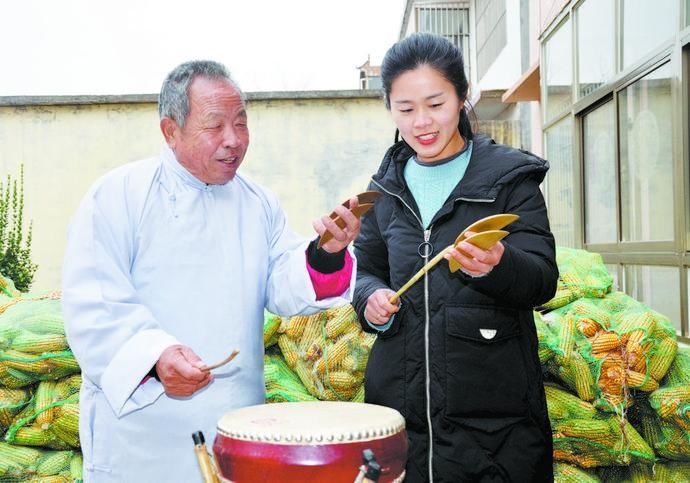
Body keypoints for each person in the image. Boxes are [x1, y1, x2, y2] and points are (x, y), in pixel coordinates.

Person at [61, 60, 361, 481]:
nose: (233, 140)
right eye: (214, 126)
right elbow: (94, 304)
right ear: (170, 131)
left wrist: (326, 253)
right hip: (142, 439)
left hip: (235, 429)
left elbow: (283, 282)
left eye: (241, 123)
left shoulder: (257, 203)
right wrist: (155, 358)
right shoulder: (118, 196)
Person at [353, 33, 558, 482]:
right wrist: (371, 298)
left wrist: (499, 265)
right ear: (389, 107)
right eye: (405, 109)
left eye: (436, 104)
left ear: (463, 97)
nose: (422, 122)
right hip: (399, 414)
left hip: (492, 426)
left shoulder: (509, 178)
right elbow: (365, 270)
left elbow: (542, 280)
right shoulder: (383, 190)